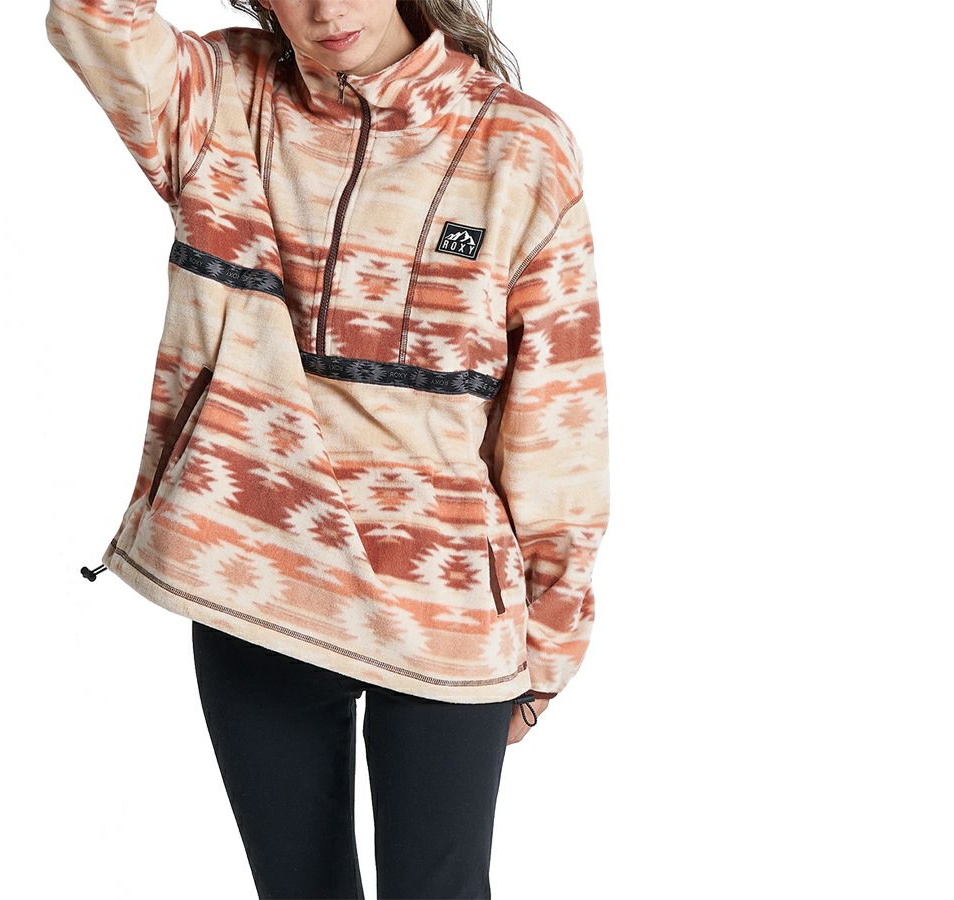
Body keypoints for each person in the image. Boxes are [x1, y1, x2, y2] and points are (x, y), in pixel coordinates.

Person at [46, 0, 610, 896]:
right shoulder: (219, 98)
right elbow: (93, 16)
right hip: (256, 572)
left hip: (443, 603)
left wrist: (551, 642)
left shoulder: (520, 146)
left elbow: (559, 404)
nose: (325, 9)